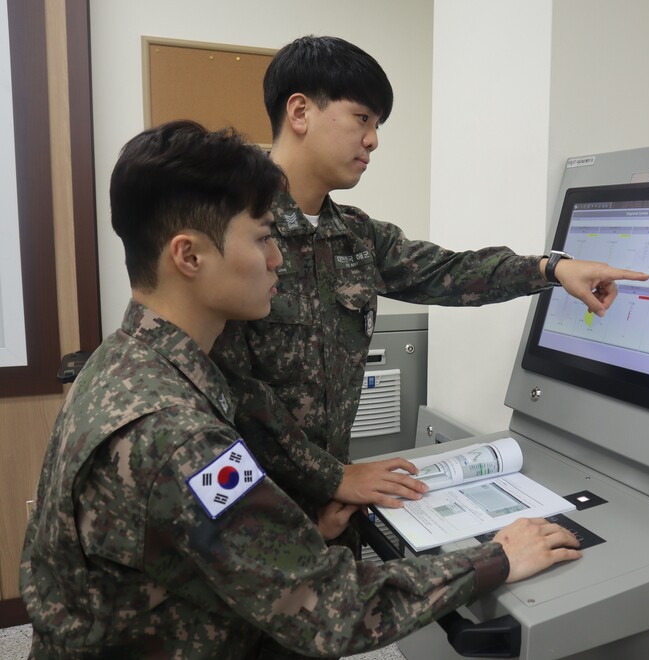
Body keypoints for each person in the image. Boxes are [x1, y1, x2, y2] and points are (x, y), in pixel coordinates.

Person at [19, 120, 581, 658]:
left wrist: (294, 534)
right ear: (189, 256)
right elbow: (325, 607)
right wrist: (496, 559)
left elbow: (182, 542)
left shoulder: (123, 361)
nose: (277, 258)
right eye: (263, 238)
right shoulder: (180, 438)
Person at [210, 35, 649, 531]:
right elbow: (234, 395)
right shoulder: (232, 234)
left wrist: (552, 269)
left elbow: (449, 272)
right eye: (362, 118)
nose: (373, 139)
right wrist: (331, 476)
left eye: (377, 125)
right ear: (300, 111)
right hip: (252, 515)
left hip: (338, 501)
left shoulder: (354, 235)